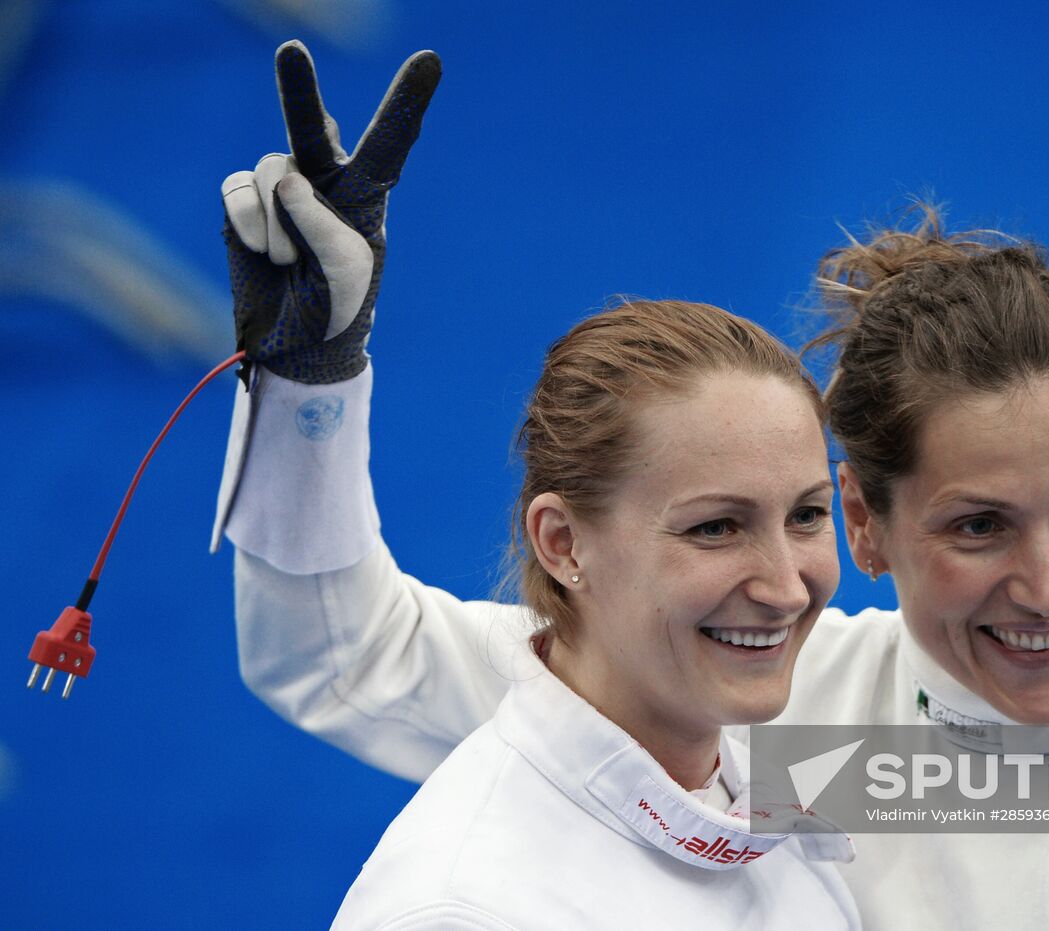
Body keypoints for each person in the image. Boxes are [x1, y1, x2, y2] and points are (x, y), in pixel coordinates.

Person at [217, 47, 1049, 931]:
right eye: (977, 526)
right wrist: (312, 386)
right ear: (865, 527)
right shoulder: (769, 706)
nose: (1046, 587)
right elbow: (349, 658)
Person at [220, 42, 861, 930]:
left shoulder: (787, 751)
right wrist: (306, 384)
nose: (786, 586)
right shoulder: (465, 906)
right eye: (715, 527)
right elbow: (344, 650)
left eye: (808, 514)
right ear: (563, 544)